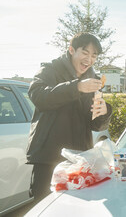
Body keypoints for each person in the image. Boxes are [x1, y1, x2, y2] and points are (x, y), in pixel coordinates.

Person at [26, 32, 112, 202]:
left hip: (80, 158)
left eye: (94, 55)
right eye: (85, 53)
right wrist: (77, 87)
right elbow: (38, 97)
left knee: (78, 206)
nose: (89, 59)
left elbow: (96, 125)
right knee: (46, 205)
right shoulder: (50, 70)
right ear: (71, 50)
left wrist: (103, 112)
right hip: (49, 158)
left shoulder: (93, 79)